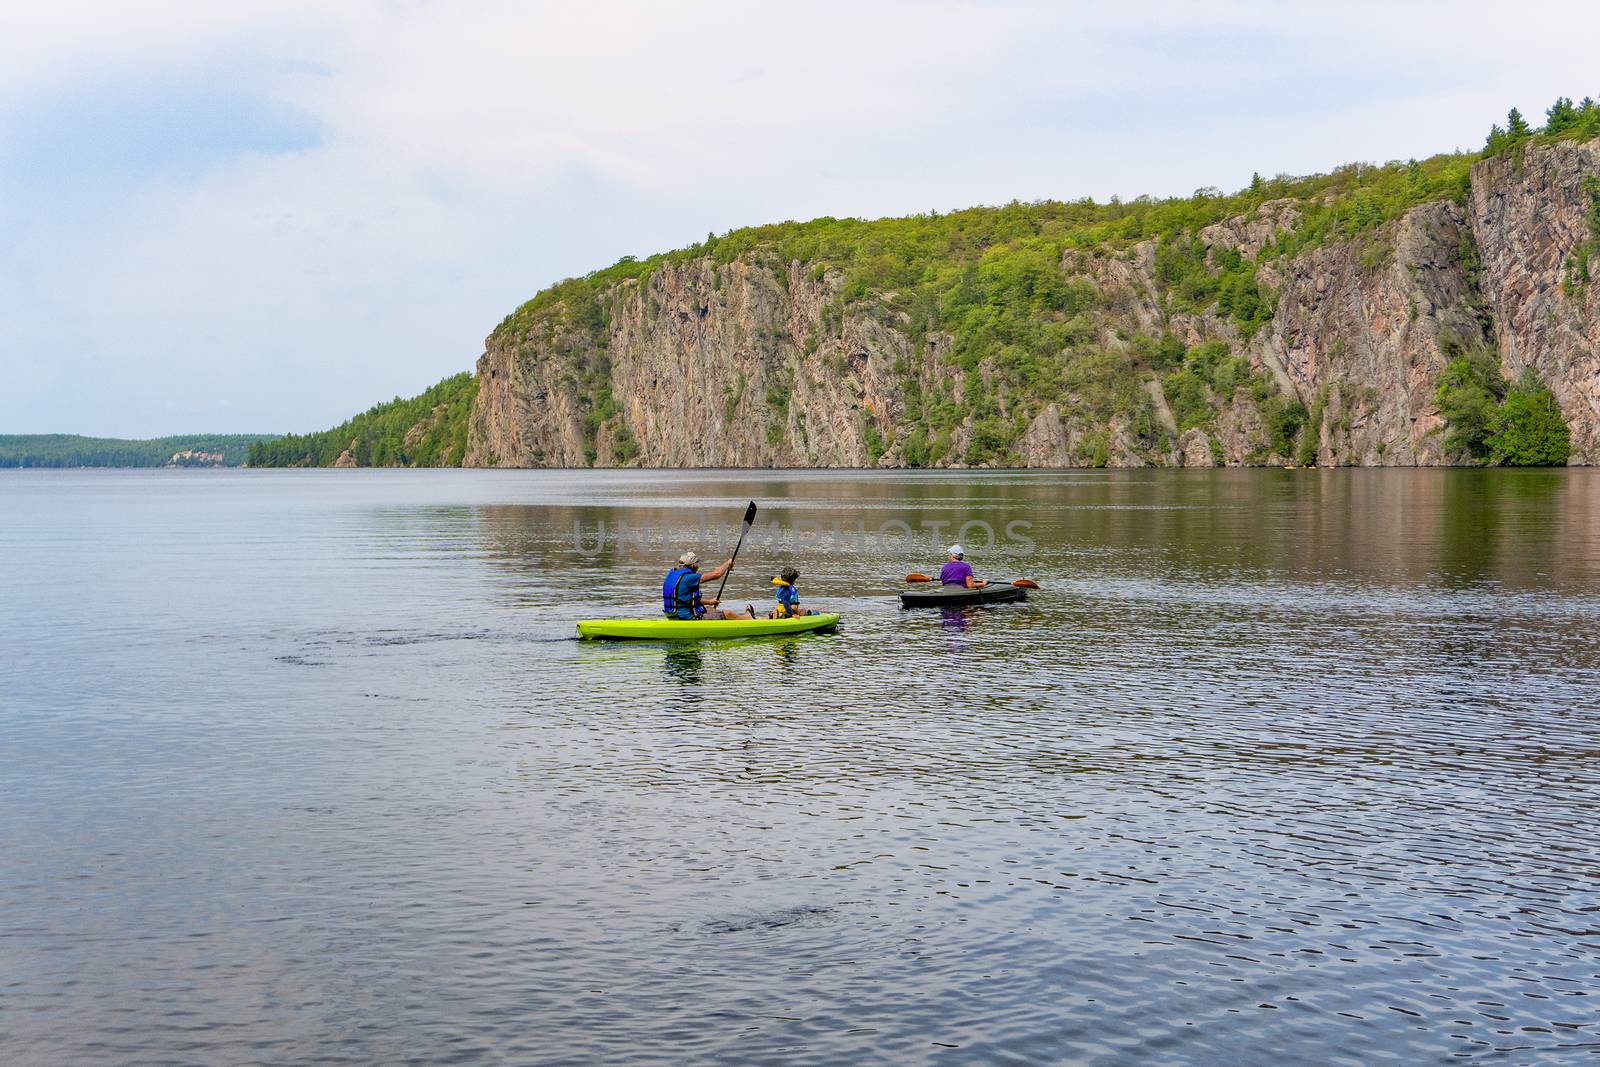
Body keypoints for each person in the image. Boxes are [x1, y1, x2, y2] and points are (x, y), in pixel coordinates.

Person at [662, 551, 753, 619]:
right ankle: (749, 618)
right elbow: (716, 574)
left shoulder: (672, 575)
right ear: (693, 565)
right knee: (728, 613)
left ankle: (745, 617)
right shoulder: (689, 577)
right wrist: (728, 563)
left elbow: (685, 599)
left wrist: (710, 602)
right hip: (687, 618)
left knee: (711, 609)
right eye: (697, 563)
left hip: (673, 616)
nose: (698, 566)